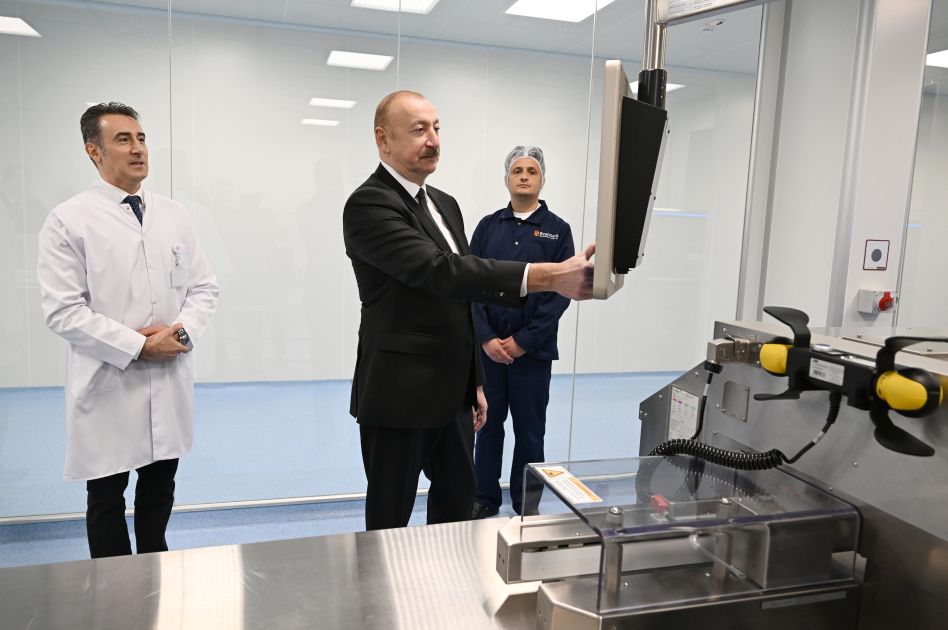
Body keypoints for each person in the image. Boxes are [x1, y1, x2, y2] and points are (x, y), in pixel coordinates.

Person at [343, 90, 595, 531]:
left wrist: (474, 381)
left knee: (457, 506)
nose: (433, 140)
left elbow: (462, 299)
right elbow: (441, 272)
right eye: (419, 130)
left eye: (436, 128)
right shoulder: (370, 204)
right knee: (389, 517)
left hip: (453, 393)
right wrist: (550, 275)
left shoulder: (444, 203)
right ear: (384, 139)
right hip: (399, 392)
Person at [37, 102, 219, 558]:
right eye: (123, 140)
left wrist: (179, 335)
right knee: (106, 501)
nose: (138, 149)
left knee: (159, 494)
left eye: (141, 138)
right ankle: (111, 589)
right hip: (108, 383)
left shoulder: (173, 214)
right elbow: (63, 310)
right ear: (93, 151)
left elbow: (203, 287)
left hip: (168, 377)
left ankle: (158, 573)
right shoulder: (69, 220)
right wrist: (139, 345)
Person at [470, 146, 573, 518]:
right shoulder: (488, 227)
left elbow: (562, 290)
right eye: (517, 170)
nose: (525, 176)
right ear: (507, 179)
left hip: (533, 354)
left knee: (530, 432)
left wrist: (523, 341)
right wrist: (486, 338)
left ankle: (527, 505)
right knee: (487, 426)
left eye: (532, 170)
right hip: (489, 355)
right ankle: (484, 499)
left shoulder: (558, 231)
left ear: (542, 179)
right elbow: (469, 283)